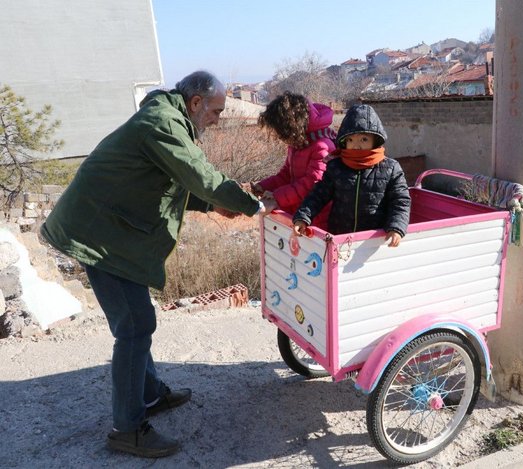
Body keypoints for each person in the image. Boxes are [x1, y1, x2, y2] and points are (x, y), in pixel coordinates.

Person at [40, 71, 275, 458]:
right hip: (98, 236)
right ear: (195, 102)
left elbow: (171, 184)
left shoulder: (167, 118)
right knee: (134, 327)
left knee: (136, 319)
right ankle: (127, 429)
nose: (218, 119)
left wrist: (212, 202)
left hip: (109, 230)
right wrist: (253, 205)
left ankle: (148, 395)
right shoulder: (163, 123)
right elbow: (199, 176)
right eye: (216, 110)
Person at [292, 103, 411, 247]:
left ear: (375, 140)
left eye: (364, 139)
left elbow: (400, 201)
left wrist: (396, 227)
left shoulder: (391, 168)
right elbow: (318, 195)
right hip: (339, 239)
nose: (356, 145)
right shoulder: (336, 166)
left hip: (374, 241)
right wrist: (303, 217)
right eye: (350, 139)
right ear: (343, 141)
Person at [251, 92, 336, 229]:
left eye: (281, 132)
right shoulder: (298, 145)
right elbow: (285, 175)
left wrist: (276, 198)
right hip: (298, 216)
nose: (280, 137)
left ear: (292, 127)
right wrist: (263, 186)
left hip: (316, 220)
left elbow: (311, 184)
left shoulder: (323, 146)